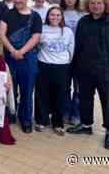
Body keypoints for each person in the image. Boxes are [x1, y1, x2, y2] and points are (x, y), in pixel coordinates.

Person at [67, 0, 109, 151]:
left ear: (105, 4)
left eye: (99, 3)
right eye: (93, 3)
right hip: (85, 69)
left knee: (108, 103)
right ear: (88, 5)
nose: (96, 6)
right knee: (85, 99)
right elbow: (78, 46)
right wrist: (75, 67)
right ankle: (86, 125)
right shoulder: (83, 22)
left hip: (107, 71)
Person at [0, 0, 42, 133]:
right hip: (10, 57)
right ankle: (11, 115)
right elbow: (1, 34)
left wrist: (21, 51)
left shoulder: (35, 16)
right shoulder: (7, 14)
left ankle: (26, 120)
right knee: (10, 89)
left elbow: (36, 37)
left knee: (27, 91)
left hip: (28, 58)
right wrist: (13, 51)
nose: (18, 0)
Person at [35, 7, 75, 135]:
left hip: (62, 67)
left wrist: (67, 62)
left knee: (60, 95)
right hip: (44, 64)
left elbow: (71, 48)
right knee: (42, 94)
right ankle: (41, 120)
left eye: (58, 15)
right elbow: (37, 45)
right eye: (52, 15)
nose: (55, 17)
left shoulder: (67, 31)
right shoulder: (42, 29)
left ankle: (57, 123)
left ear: (61, 17)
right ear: (48, 16)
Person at [60, 0, 84, 125]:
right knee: (65, 86)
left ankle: (76, 115)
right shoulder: (60, 12)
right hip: (63, 55)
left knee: (78, 87)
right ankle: (65, 112)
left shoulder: (82, 13)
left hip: (80, 55)